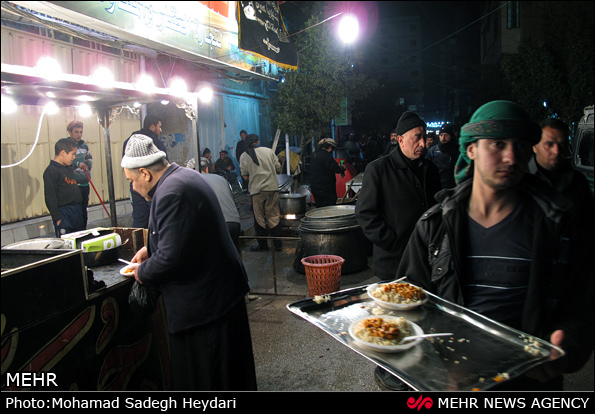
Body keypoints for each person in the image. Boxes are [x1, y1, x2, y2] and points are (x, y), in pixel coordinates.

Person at [397, 100, 594, 391]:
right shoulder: (435, 225)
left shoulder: (559, 224)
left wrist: (568, 348)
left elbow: (583, 306)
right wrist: (425, 366)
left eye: (521, 146)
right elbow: (407, 302)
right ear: (471, 149)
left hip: (531, 387)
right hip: (454, 385)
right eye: (498, 144)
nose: (511, 157)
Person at [121, 134, 256, 391]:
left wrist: (142, 271)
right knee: (230, 374)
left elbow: (171, 258)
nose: (133, 188)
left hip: (207, 307)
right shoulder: (183, 176)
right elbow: (187, 233)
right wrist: (151, 248)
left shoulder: (171, 192)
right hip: (221, 296)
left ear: (145, 173)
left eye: (131, 181)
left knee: (209, 380)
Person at [530, 118, 594, 209]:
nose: (556, 151)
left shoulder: (578, 180)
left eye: (562, 144)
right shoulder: (520, 179)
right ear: (535, 146)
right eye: (549, 144)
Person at [122, 115, 168, 228]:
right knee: (156, 218)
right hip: (152, 186)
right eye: (159, 127)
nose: (160, 130)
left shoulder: (128, 142)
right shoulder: (156, 142)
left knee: (140, 218)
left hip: (141, 184)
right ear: (152, 127)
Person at [239, 134, 283, 252]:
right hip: (272, 189)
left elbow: (244, 176)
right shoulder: (269, 151)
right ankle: (278, 244)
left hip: (257, 191)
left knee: (259, 218)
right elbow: (278, 168)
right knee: (274, 216)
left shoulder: (244, 155)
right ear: (257, 141)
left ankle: (263, 245)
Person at [198, 157, 242, 253]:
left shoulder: (196, 180)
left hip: (218, 225)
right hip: (234, 222)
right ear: (207, 169)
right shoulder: (221, 179)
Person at [43, 138, 85, 237]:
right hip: (64, 212)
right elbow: (50, 196)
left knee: (80, 238)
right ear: (62, 153)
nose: (74, 158)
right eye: (72, 154)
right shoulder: (51, 171)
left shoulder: (68, 168)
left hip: (76, 210)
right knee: (67, 240)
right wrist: (57, 217)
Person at [65, 120, 92, 228]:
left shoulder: (84, 146)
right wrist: (77, 164)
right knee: (75, 211)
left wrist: (88, 166)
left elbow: (89, 158)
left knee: (83, 210)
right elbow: (65, 162)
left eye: (81, 132)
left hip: (85, 182)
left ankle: (83, 229)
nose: (79, 135)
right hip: (73, 184)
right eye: (76, 132)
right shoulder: (66, 145)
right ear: (70, 132)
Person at [309, 138, 346, 208]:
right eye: (333, 150)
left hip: (314, 187)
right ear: (330, 148)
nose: (332, 152)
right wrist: (342, 168)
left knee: (319, 207)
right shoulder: (326, 156)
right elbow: (336, 169)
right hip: (325, 188)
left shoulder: (314, 154)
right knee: (329, 208)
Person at [425, 123, 459, 189]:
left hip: (452, 186)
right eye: (441, 135)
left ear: (451, 136)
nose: (443, 138)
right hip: (436, 185)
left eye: (446, 135)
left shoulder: (456, 151)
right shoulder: (433, 151)